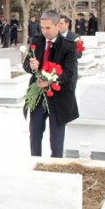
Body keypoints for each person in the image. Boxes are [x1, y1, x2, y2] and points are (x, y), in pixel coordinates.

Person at [23, 11, 79, 157]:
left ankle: (56, 166)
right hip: (38, 95)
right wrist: (32, 66)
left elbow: (69, 73)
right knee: (34, 134)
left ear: (58, 26)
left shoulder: (68, 46)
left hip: (58, 97)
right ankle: (34, 162)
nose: (44, 31)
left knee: (56, 140)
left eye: (48, 28)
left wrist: (51, 80)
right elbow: (27, 65)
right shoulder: (36, 41)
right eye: (42, 28)